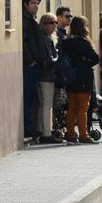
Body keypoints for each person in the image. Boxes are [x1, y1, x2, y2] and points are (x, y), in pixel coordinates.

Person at [58, 16, 100, 144]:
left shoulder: (66, 42)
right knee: (83, 108)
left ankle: (70, 134)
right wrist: (86, 61)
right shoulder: (84, 42)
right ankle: (84, 134)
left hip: (70, 78)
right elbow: (95, 58)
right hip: (83, 77)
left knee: (71, 107)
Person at [36, 13, 64, 144]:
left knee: (43, 104)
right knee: (47, 104)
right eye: (51, 23)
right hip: (46, 75)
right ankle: (46, 133)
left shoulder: (46, 38)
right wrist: (58, 59)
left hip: (43, 74)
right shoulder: (45, 39)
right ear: (44, 24)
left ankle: (43, 130)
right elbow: (47, 60)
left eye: (55, 23)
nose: (54, 26)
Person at [22, 0, 44, 139]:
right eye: (33, 3)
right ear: (26, 4)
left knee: (31, 97)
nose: (35, 6)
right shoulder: (25, 20)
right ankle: (27, 127)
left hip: (34, 65)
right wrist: (30, 60)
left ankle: (29, 126)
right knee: (27, 97)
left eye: (37, 3)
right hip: (29, 65)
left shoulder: (31, 19)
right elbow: (23, 41)